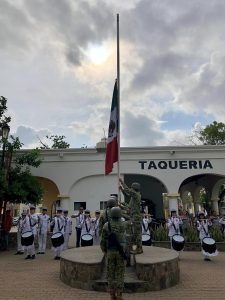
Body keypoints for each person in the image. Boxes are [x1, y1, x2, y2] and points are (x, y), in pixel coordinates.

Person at [100, 207, 127, 300]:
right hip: (121, 252)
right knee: (120, 272)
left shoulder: (106, 225)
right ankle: (119, 294)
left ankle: (112, 295)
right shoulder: (124, 224)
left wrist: (104, 250)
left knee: (110, 273)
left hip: (110, 251)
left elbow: (102, 240)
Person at [119, 179, 143, 254]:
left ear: (134, 188)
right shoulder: (133, 198)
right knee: (133, 234)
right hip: (133, 217)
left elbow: (128, 191)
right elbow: (129, 206)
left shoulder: (136, 195)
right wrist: (122, 190)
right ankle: (134, 248)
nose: (131, 189)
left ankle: (139, 249)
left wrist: (122, 182)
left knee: (137, 234)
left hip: (136, 218)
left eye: (132, 188)